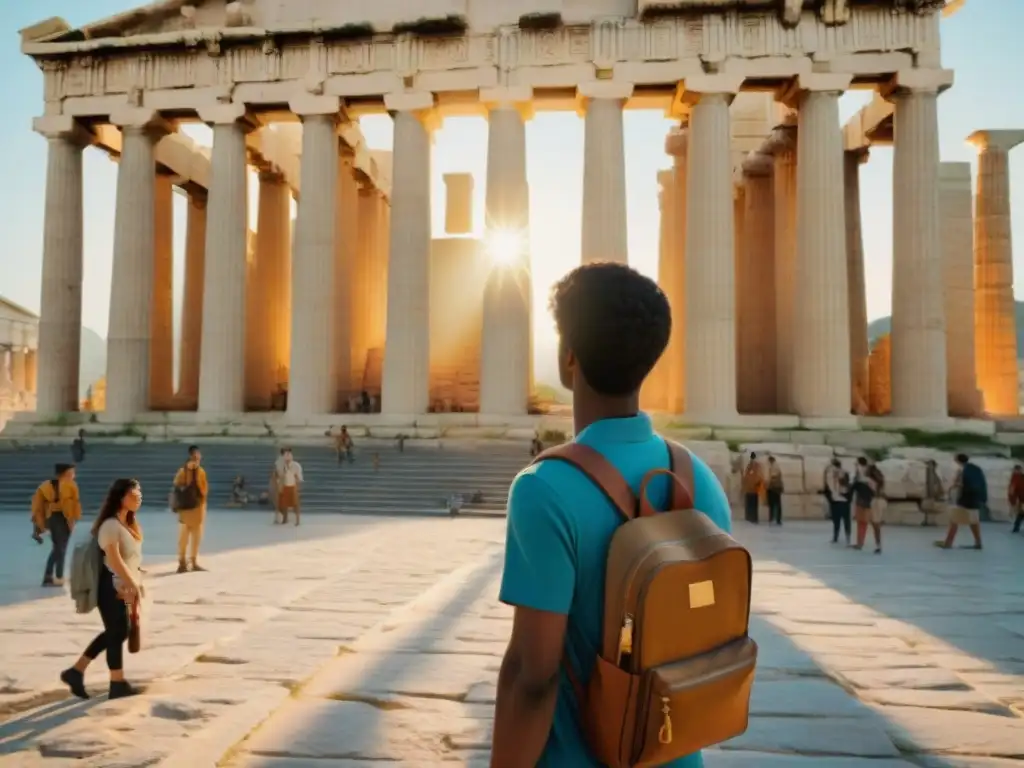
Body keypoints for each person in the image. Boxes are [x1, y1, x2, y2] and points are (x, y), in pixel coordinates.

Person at [491, 262, 732, 768]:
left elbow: (534, 678)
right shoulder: (699, 481)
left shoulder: (545, 490)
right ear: (650, 359)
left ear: (567, 358)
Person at [60, 478, 144, 700]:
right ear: (121, 497)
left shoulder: (128, 524)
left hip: (123, 585)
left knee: (118, 632)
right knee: (118, 632)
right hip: (110, 586)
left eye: (140, 495)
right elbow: (114, 559)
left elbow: (131, 559)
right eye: (134, 495)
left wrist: (136, 582)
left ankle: (77, 672)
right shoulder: (110, 525)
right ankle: (115, 683)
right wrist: (132, 583)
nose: (139, 498)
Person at [31, 463, 82, 587]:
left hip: (64, 519)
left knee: (60, 548)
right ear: (64, 473)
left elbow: (75, 504)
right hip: (55, 518)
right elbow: (37, 505)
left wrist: (73, 519)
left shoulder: (72, 486)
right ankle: (53, 576)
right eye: (71, 473)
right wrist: (39, 523)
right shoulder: (46, 487)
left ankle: (54, 576)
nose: (73, 475)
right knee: (60, 548)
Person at [937, 453, 986, 550]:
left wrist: (951, 488)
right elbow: (982, 483)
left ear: (958, 461)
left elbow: (959, 483)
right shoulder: (976, 469)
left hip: (965, 500)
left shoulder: (962, 470)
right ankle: (978, 542)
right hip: (976, 500)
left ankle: (948, 543)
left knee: (954, 520)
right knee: (974, 522)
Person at [172, 445, 208, 573]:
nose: (197, 457)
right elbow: (178, 487)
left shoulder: (197, 471)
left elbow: (203, 490)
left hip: (195, 509)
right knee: (185, 537)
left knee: (193, 537)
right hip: (188, 509)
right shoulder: (184, 471)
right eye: (196, 455)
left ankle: (191, 562)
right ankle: (184, 562)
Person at [852, 457, 883, 553]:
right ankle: (864, 544)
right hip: (867, 501)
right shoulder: (862, 477)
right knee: (867, 523)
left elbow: (873, 485)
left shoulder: (870, 476)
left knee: (874, 524)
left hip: (873, 501)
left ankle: (877, 545)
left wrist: (862, 475)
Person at [824, 458, 852, 546]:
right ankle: (845, 537)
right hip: (842, 500)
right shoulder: (835, 474)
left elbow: (845, 486)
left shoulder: (836, 474)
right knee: (844, 520)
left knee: (838, 520)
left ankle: (838, 537)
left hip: (838, 500)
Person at [275, 448, 304, 526]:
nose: (287, 458)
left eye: (289, 455)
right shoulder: (281, 465)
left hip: (293, 486)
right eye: (285, 455)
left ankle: (297, 521)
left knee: (295, 504)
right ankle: (285, 519)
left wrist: (298, 488)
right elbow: (278, 476)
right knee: (284, 504)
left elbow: (299, 478)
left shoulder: (296, 465)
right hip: (284, 486)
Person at [741, 453, 763, 524]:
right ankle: (752, 518)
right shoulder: (753, 466)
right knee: (753, 504)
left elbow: (747, 476)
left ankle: (751, 518)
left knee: (751, 504)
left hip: (751, 489)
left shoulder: (751, 466)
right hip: (752, 489)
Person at [765, 455, 784, 525]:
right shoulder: (774, 466)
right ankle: (774, 518)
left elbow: (773, 476)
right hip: (775, 487)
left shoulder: (774, 466)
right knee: (775, 504)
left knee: (774, 504)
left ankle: (775, 519)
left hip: (774, 488)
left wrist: (768, 484)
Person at [1008, 464, 1024, 534]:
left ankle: (1016, 527)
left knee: (1021, 513)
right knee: (1021, 513)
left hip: (1022, 498)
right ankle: (1016, 527)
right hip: (1021, 498)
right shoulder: (1018, 477)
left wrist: (1013, 502)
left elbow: (1012, 489)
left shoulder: (1016, 477)